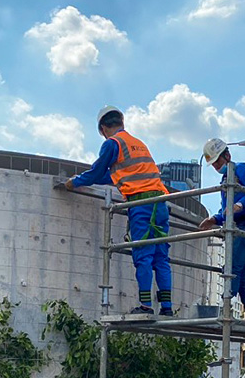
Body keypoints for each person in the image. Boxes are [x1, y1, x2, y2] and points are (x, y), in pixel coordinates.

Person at [65, 106, 173, 316]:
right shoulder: (138, 144)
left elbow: (97, 171)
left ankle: (145, 307)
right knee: (161, 257)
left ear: (103, 128)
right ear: (122, 123)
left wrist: (74, 182)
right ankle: (167, 308)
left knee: (143, 255)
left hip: (141, 204)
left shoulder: (112, 144)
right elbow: (113, 176)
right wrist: (90, 179)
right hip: (161, 204)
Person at [197, 138, 245, 322]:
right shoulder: (226, 180)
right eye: (214, 164)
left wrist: (240, 205)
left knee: (232, 267)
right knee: (240, 271)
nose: (217, 166)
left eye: (218, 161)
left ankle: (225, 306)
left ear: (227, 156)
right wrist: (215, 219)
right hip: (237, 226)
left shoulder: (242, 168)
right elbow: (226, 209)